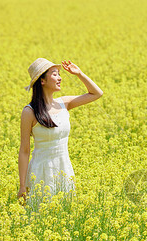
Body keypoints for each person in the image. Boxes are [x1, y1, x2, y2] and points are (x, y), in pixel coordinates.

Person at [18, 58, 103, 204]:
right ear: (42, 81)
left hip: (64, 169)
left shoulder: (64, 103)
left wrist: (79, 74)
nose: (60, 78)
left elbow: (97, 93)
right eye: (55, 74)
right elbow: (24, 150)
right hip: (41, 172)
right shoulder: (29, 112)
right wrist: (22, 186)